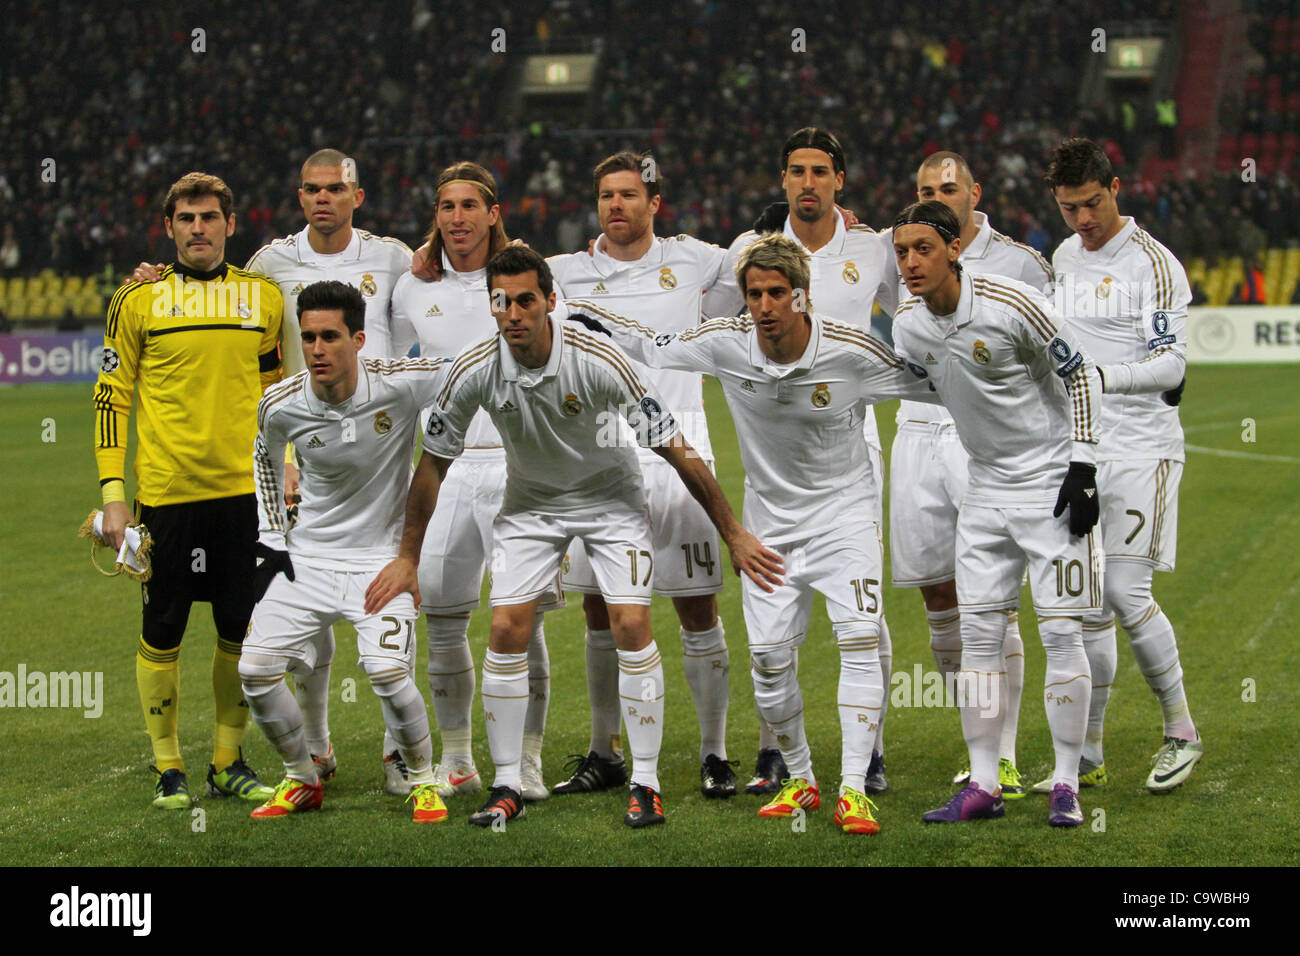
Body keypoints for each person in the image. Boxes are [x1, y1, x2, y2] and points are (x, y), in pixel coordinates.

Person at [568, 233, 940, 835]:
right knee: (768, 662)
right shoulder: (726, 345)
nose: (763, 306)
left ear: (802, 296)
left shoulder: (852, 352)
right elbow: (651, 342)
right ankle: (801, 779)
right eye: (753, 295)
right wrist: (576, 310)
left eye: (775, 294)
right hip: (769, 527)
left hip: (845, 518)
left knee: (859, 639)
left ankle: (852, 787)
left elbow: (935, 385)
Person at [409, 245, 778, 828]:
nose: (513, 313)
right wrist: (408, 558)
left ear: (551, 301)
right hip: (530, 507)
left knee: (631, 623)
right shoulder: (475, 368)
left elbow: (674, 447)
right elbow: (432, 463)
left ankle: (647, 783)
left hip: (612, 504)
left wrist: (733, 533)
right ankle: (506, 783)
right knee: (506, 626)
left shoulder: (599, 360)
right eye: (500, 302)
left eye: (526, 300)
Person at [132, 151, 415, 793]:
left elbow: (446, 275)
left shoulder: (397, 258)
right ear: (299, 196)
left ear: (357, 195)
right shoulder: (267, 267)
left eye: (335, 189)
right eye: (312, 189)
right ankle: (314, 746)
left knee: (403, 614)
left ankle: (405, 754)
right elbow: (263, 367)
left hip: (381, 456)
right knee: (304, 609)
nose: (323, 199)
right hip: (299, 458)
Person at [889, 201, 1103, 828]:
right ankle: (983, 781)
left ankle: (1065, 780)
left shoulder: (1012, 303)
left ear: (954, 249)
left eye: (923, 248)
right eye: (902, 252)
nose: (910, 263)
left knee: (1061, 633)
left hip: (1049, 486)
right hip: (983, 492)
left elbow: (1081, 373)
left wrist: (1084, 464)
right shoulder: (909, 325)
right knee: (977, 640)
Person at [547, 151, 743, 799]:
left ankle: (714, 754)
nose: (617, 205)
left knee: (696, 606)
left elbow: (767, 251)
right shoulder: (567, 273)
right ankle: (606, 750)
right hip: (599, 461)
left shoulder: (695, 259)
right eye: (606, 194)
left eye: (629, 194)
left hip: (681, 456)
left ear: (653, 202)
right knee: (599, 608)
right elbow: (490, 275)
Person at [717, 128, 900, 795]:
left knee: (862, 613)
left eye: (820, 171)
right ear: (783, 180)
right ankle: (777, 752)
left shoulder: (874, 249)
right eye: (796, 171)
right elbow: (713, 316)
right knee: (772, 621)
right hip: (775, 451)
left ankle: (869, 751)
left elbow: (908, 323)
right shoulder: (751, 253)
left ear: (840, 179)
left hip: (851, 444)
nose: (807, 183)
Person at [92, 171, 283, 810]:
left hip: (244, 497)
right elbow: (111, 394)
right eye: (185, 219)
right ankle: (167, 764)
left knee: (239, 630)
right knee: (163, 626)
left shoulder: (264, 299)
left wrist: (286, 465)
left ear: (231, 224)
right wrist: (115, 492)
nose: (197, 228)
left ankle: (226, 761)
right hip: (168, 497)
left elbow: (279, 394)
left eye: (208, 217)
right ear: (168, 228)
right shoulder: (138, 300)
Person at [240, 280, 447, 823]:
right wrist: (270, 540)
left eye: (329, 337)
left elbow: (470, 366)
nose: (316, 349)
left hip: (379, 558)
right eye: (307, 337)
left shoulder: (400, 386)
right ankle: (302, 778)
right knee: (256, 670)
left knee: (386, 673)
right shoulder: (281, 404)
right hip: (305, 558)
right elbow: (264, 457)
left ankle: (424, 779)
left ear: (358, 339)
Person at [389, 161, 561, 803]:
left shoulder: (527, 278)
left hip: (519, 466)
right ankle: (458, 758)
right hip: (443, 466)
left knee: (524, 621)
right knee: (441, 617)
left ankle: (530, 759)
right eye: (445, 206)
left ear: (493, 212)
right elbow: (380, 350)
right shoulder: (411, 287)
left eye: (469, 205)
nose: (456, 217)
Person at [892, 151, 1055, 799]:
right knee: (936, 594)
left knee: (990, 603)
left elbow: (1052, 356)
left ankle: (1004, 755)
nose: (939, 195)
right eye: (927, 187)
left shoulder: (1019, 265)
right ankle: (976, 750)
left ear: (974, 194)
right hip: (915, 432)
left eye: (949, 188)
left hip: (983, 445)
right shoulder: (896, 248)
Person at [1045, 137, 1202, 794]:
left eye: (1090, 203)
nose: (1081, 220)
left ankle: (1182, 733)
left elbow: (1173, 367)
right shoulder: (1062, 257)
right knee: (1086, 608)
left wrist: (1098, 378)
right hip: (1083, 448)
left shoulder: (1153, 265)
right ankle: (1090, 750)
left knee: (1124, 592)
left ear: (1116, 188)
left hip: (1143, 447)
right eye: (1067, 207)